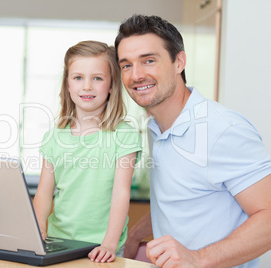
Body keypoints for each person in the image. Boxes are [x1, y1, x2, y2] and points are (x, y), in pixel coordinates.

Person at [115, 14, 271, 267]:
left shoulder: (222, 129)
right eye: (126, 65)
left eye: (149, 61)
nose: (136, 75)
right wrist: (135, 234)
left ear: (179, 62)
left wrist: (198, 258)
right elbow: (182, 199)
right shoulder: (156, 128)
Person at [33, 40, 142, 263]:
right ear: (67, 85)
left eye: (97, 78)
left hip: (103, 246)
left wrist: (110, 244)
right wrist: (38, 228)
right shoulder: (54, 137)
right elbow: (44, 192)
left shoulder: (124, 135)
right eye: (78, 77)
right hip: (58, 241)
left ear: (112, 85)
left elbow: (121, 193)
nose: (87, 86)